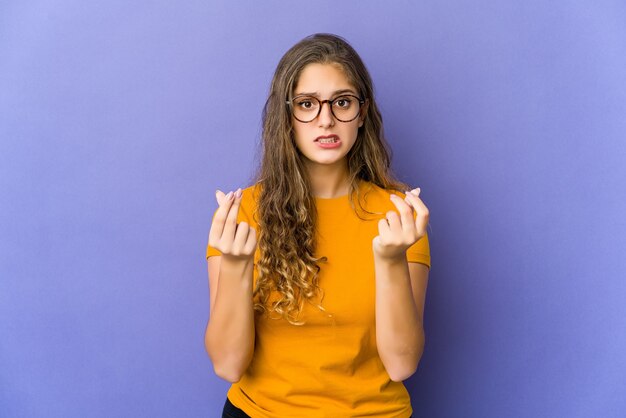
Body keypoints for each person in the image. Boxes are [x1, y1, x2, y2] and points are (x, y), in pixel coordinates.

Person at [205, 33, 431, 418]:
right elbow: (227, 365)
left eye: (342, 102)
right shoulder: (242, 213)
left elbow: (401, 364)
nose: (326, 119)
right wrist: (237, 267)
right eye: (307, 104)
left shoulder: (399, 215)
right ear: (286, 116)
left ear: (361, 113)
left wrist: (392, 261)